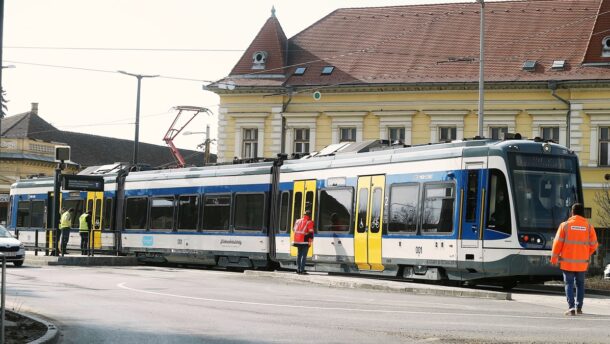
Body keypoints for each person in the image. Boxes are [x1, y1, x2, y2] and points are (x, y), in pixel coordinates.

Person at [551, 203, 598, 316]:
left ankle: (571, 308)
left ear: (572, 212)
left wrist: (554, 257)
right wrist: (586, 254)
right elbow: (594, 245)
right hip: (581, 263)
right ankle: (579, 308)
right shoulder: (588, 227)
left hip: (567, 262)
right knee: (580, 285)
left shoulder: (565, 225)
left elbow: (557, 243)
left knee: (569, 284)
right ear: (583, 213)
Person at [293, 208, 314, 275]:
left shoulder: (298, 221)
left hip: (297, 240)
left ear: (304, 215)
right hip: (305, 241)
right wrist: (310, 242)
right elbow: (310, 233)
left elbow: (294, 229)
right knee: (304, 256)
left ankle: (298, 269)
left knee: (299, 255)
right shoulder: (309, 222)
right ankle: (302, 270)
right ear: (309, 215)